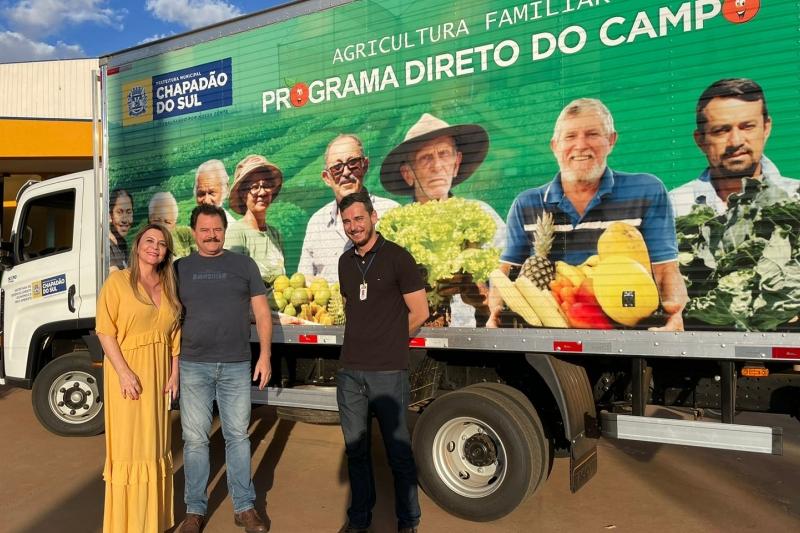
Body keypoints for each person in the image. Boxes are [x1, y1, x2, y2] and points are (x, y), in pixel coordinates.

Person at [489, 98, 688, 331]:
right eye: (570, 137)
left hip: (628, 337)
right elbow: (504, 274)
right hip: (546, 338)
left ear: (611, 140)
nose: (581, 145)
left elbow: (666, 269)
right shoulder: (527, 204)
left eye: (592, 134)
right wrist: (495, 313)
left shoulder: (645, 190)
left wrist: (676, 313)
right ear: (555, 146)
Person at [335, 191, 429, 533]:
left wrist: (388, 339)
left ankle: (409, 522)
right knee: (356, 452)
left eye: (359, 219)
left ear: (373, 217)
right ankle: (359, 518)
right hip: (349, 373)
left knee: (397, 453)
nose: (353, 226)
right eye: (347, 221)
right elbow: (354, 308)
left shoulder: (398, 258)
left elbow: (420, 312)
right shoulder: (346, 263)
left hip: (388, 371)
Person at [176, 203, 271, 533]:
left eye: (216, 229)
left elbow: (261, 313)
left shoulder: (243, 265)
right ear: (194, 233)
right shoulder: (178, 269)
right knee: (195, 440)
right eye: (204, 230)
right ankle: (194, 510)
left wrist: (265, 355)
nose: (211, 235)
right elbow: (166, 317)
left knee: (237, 438)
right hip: (192, 365)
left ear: (224, 230)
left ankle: (244, 507)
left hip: (235, 364)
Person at [380, 113, 506, 327]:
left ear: (456, 163)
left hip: (472, 344)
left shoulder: (482, 215)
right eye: (425, 157)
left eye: (444, 154)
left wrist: (481, 297)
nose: (437, 165)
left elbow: (509, 288)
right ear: (407, 173)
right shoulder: (395, 229)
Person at [95, 223, 181, 533]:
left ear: (166, 251)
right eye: (149, 240)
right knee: (131, 449)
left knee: (155, 447)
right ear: (137, 246)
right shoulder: (117, 282)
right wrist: (124, 372)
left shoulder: (169, 285)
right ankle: (127, 525)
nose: (154, 247)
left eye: (161, 243)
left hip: (158, 378)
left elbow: (174, 337)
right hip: (127, 377)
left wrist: (175, 374)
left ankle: (152, 522)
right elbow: (105, 331)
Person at [670, 78, 799, 216]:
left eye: (747, 127)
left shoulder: (796, 198)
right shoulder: (673, 208)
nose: (736, 142)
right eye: (721, 130)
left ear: (766, 129)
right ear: (700, 140)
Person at [298, 134, 398, 283]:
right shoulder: (316, 222)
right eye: (337, 168)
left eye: (353, 163)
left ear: (365, 165)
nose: (345, 172)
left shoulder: (391, 212)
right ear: (327, 177)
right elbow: (304, 280)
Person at [224, 154, 286, 285]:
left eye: (267, 185)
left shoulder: (275, 234)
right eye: (254, 187)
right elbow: (233, 285)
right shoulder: (236, 233)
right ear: (242, 193)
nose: (262, 192)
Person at [149, 191, 195, 258]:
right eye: (157, 220)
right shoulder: (142, 247)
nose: (162, 226)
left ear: (174, 224)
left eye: (167, 222)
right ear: (149, 220)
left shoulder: (187, 235)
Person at [194, 159, 238, 226]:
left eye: (211, 193)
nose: (206, 200)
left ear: (225, 190)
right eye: (201, 194)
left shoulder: (231, 229)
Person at [109, 189, 133, 271]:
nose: (125, 220)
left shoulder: (123, 244)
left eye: (129, 212)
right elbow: (115, 280)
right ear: (110, 216)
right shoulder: (105, 245)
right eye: (119, 212)